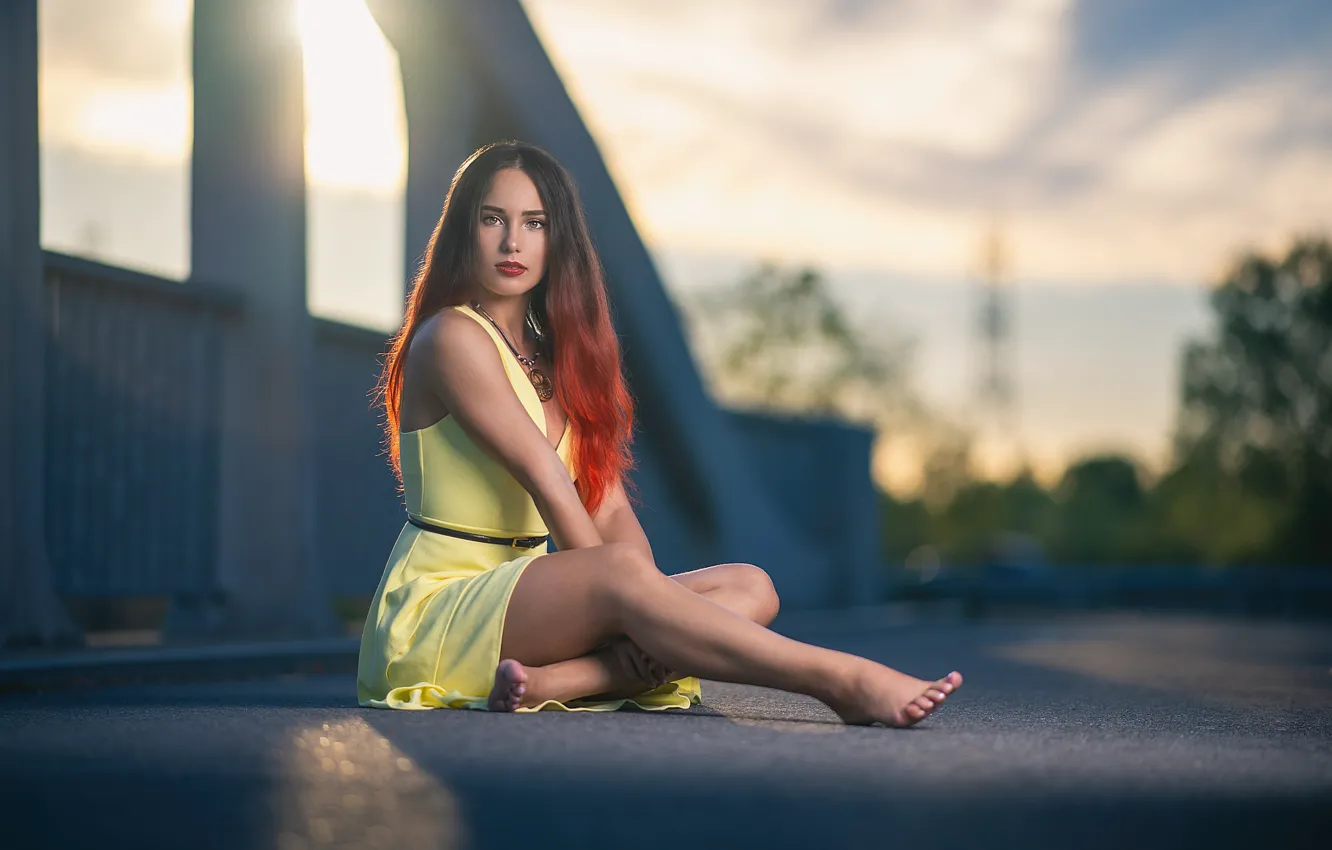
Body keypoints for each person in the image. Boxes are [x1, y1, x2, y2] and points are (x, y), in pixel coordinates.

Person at [356, 140, 962, 725]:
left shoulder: (555, 357)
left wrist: (645, 602)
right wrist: (635, 607)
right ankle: (841, 681)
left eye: (535, 223)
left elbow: (609, 506)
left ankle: (563, 680)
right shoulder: (450, 337)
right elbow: (546, 477)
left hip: (532, 599)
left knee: (751, 586)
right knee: (630, 582)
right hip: (442, 608)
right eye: (494, 219)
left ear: (557, 239)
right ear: (466, 229)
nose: (513, 241)